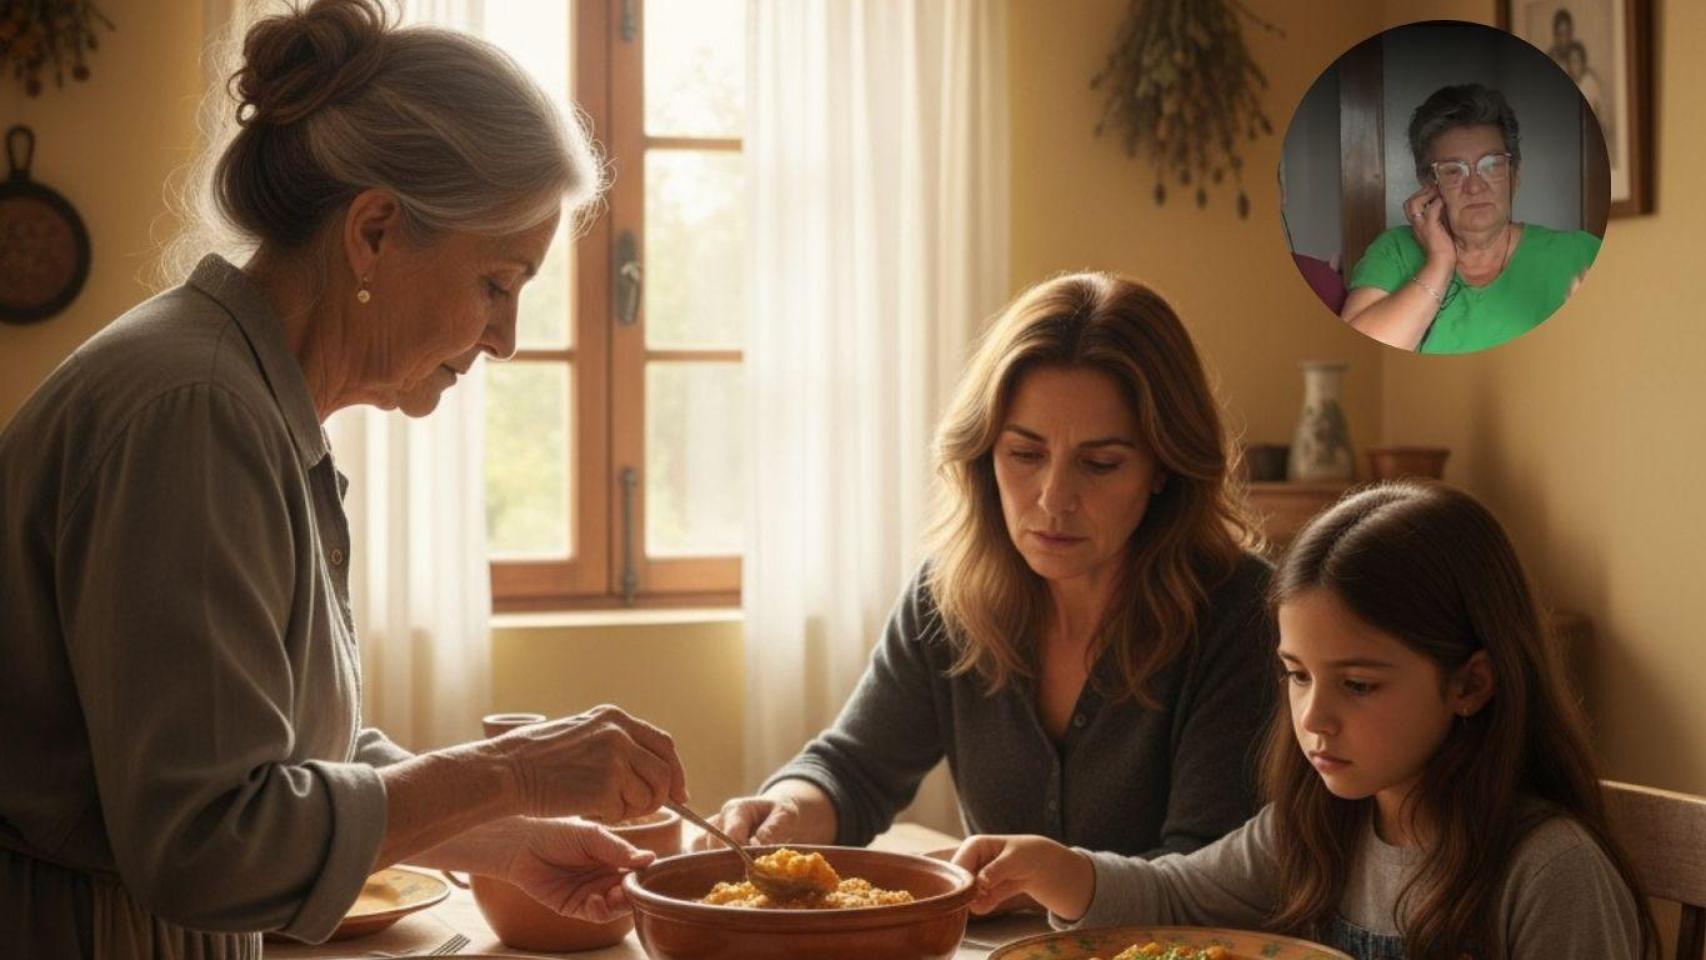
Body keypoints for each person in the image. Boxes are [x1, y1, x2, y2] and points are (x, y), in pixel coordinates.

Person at [0, 2, 689, 956]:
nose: (506, 339)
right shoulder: (196, 410)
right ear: (373, 232)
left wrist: (497, 840)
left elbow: (286, 755)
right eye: (496, 282)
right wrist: (511, 775)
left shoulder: (245, 400)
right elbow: (208, 843)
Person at [701, 273, 1277, 877]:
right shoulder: (946, 595)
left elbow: (1207, 873)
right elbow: (853, 771)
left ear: (1164, 466)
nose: (1055, 499)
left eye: (1101, 464)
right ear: (983, 454)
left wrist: (1026, 884)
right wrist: (785, 810)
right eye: (1024, 455)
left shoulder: (1243, 616)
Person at [953, 481, 1658, 960]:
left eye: (1357, 684)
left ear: (1470, 682)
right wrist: (1054, 868)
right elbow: (1176, 897)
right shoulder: (1317, 826)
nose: (1313, 717)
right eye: (1297, 675)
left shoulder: (1549, 873)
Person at [1340, 84, 1600, 353]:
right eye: (1454, 171)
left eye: (1492, 165)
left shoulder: (1580, 253)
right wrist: (1439, 263)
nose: (1475, 186)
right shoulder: (1393, 251)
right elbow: (1361, 354)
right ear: (1430, 184)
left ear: (1515, 175)